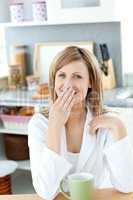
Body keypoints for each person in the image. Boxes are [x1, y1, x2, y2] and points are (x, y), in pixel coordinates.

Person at [28, 46, 133, 200]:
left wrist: (119, 127)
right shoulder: (39, 124)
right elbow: (46, 192)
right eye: (62, 75)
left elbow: (127, 185)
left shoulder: (107, 124)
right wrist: (54, 127)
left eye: (77, 76)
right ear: (54, 80)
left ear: (90, 82)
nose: (68, 84)